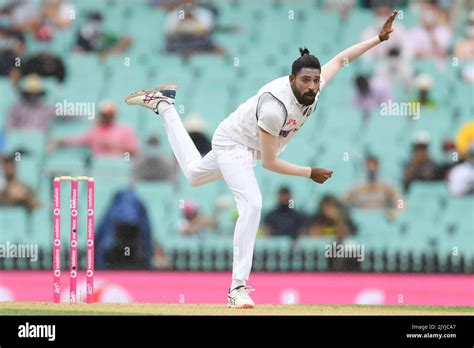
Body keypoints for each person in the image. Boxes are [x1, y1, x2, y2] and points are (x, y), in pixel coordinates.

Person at [124, 11, 398, 308]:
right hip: (234, 143)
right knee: (252, 204)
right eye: (305, 80)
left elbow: (340, 60)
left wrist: (378, 39)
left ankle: (164, 105)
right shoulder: (274, 107)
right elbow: (270, 164)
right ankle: (237, 288)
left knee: (193, 174)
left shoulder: (315, 90)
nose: (312, 86)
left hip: (248, 148)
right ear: (292, 79)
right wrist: (309, 172)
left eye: (315, 81)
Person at [48, 101, 140, 157]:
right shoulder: (94, 132)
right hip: (97, 168)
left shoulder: (125, 130)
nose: (107, 117)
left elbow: (134, 151)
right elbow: (76, 140)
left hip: (118, 167)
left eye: (110, 114)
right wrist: (60, 142)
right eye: (105, 114)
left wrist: (113, 147)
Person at [345, 155, 402, 219]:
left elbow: (400, 201)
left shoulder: (387, 187)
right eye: (368, 165)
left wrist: (397, 211)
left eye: (374, 165)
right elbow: (343, 202)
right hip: (362, 221)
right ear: (364, 167)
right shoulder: (355, 188)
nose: (371, 168)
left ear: (378, 167)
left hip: (382, 220)